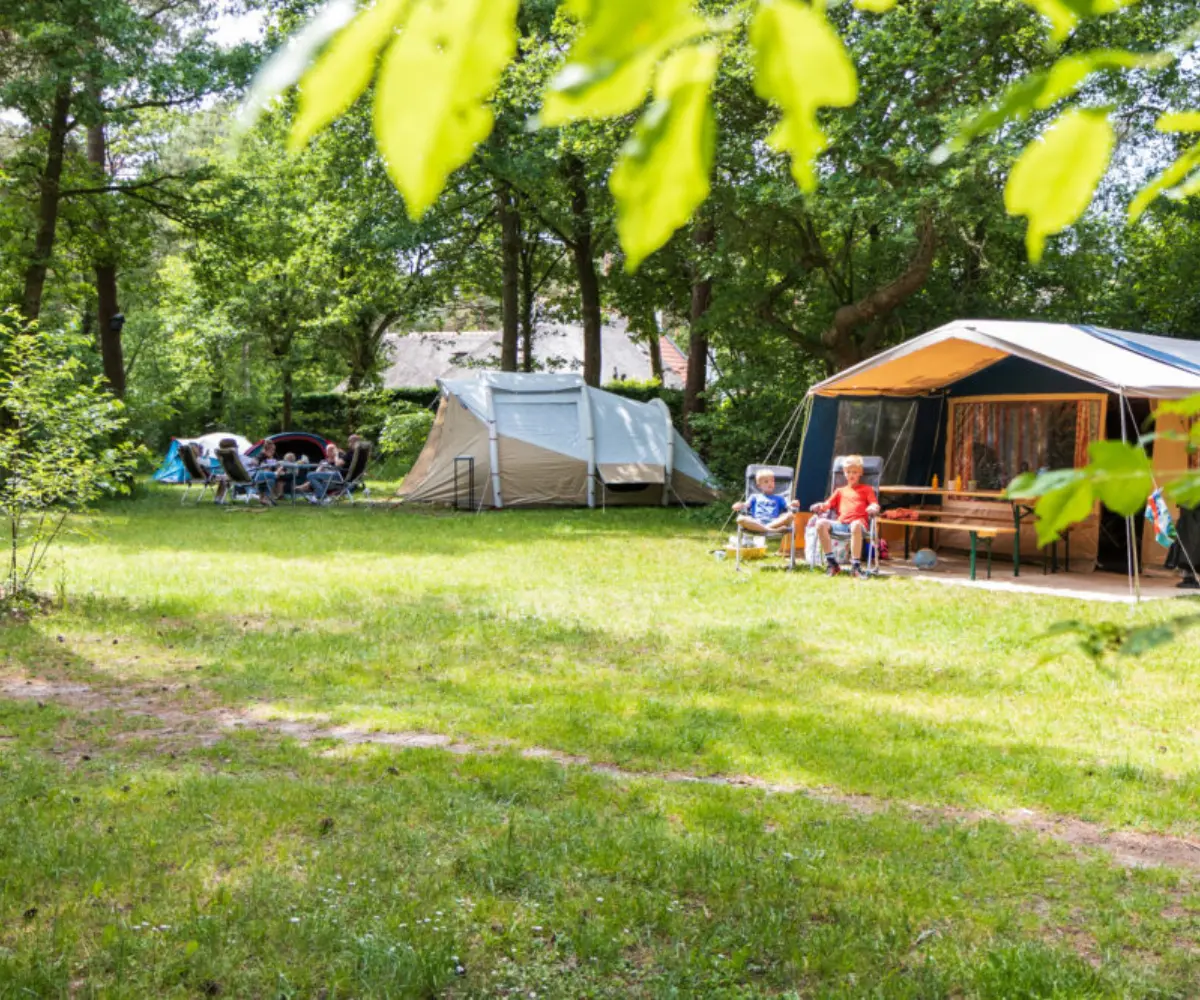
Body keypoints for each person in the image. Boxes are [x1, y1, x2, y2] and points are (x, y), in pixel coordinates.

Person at [810, 454, 880, 578]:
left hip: (858, 525)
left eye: (854, 472)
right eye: (848, 472)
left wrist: (873, 507)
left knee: (855, 525)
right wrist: (819, 505)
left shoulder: (867, 489)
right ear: (844, 473)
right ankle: (832, 563)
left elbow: (874, 504)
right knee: (820, 523)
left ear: (860, 473)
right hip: (841, 524)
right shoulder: (839, 491)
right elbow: (827, 505)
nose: (851, 474)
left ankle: (856, 567)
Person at [732, 469, 793, 535]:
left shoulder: (779, 498)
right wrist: (739, 505)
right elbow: (745, 505)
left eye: (772, 481)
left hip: (774, 522)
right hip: (756, 522)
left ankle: (764, 529)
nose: (770, 483)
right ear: (759, 486)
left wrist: (793, 504)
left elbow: (788, 506)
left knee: (790, 515)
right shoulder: (754, 497)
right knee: (740, 519)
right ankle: (772, 530)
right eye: (766, 482)